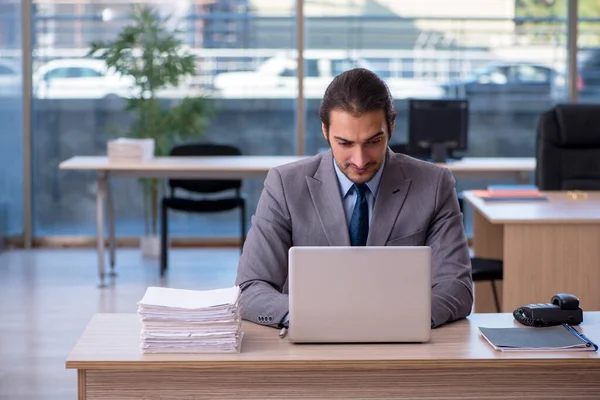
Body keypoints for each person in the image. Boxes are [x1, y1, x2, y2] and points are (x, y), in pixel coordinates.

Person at [235, 68, 473, 329]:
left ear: (391, 128)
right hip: (312, 341)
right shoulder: (284, 185)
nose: (360, 160)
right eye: (345, 143)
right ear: (325, 131)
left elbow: (457, 287)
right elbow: (249, 288)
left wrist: (397, 319)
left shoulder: (434, 184)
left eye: (373, 141)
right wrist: (314, 317)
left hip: (400, 340)